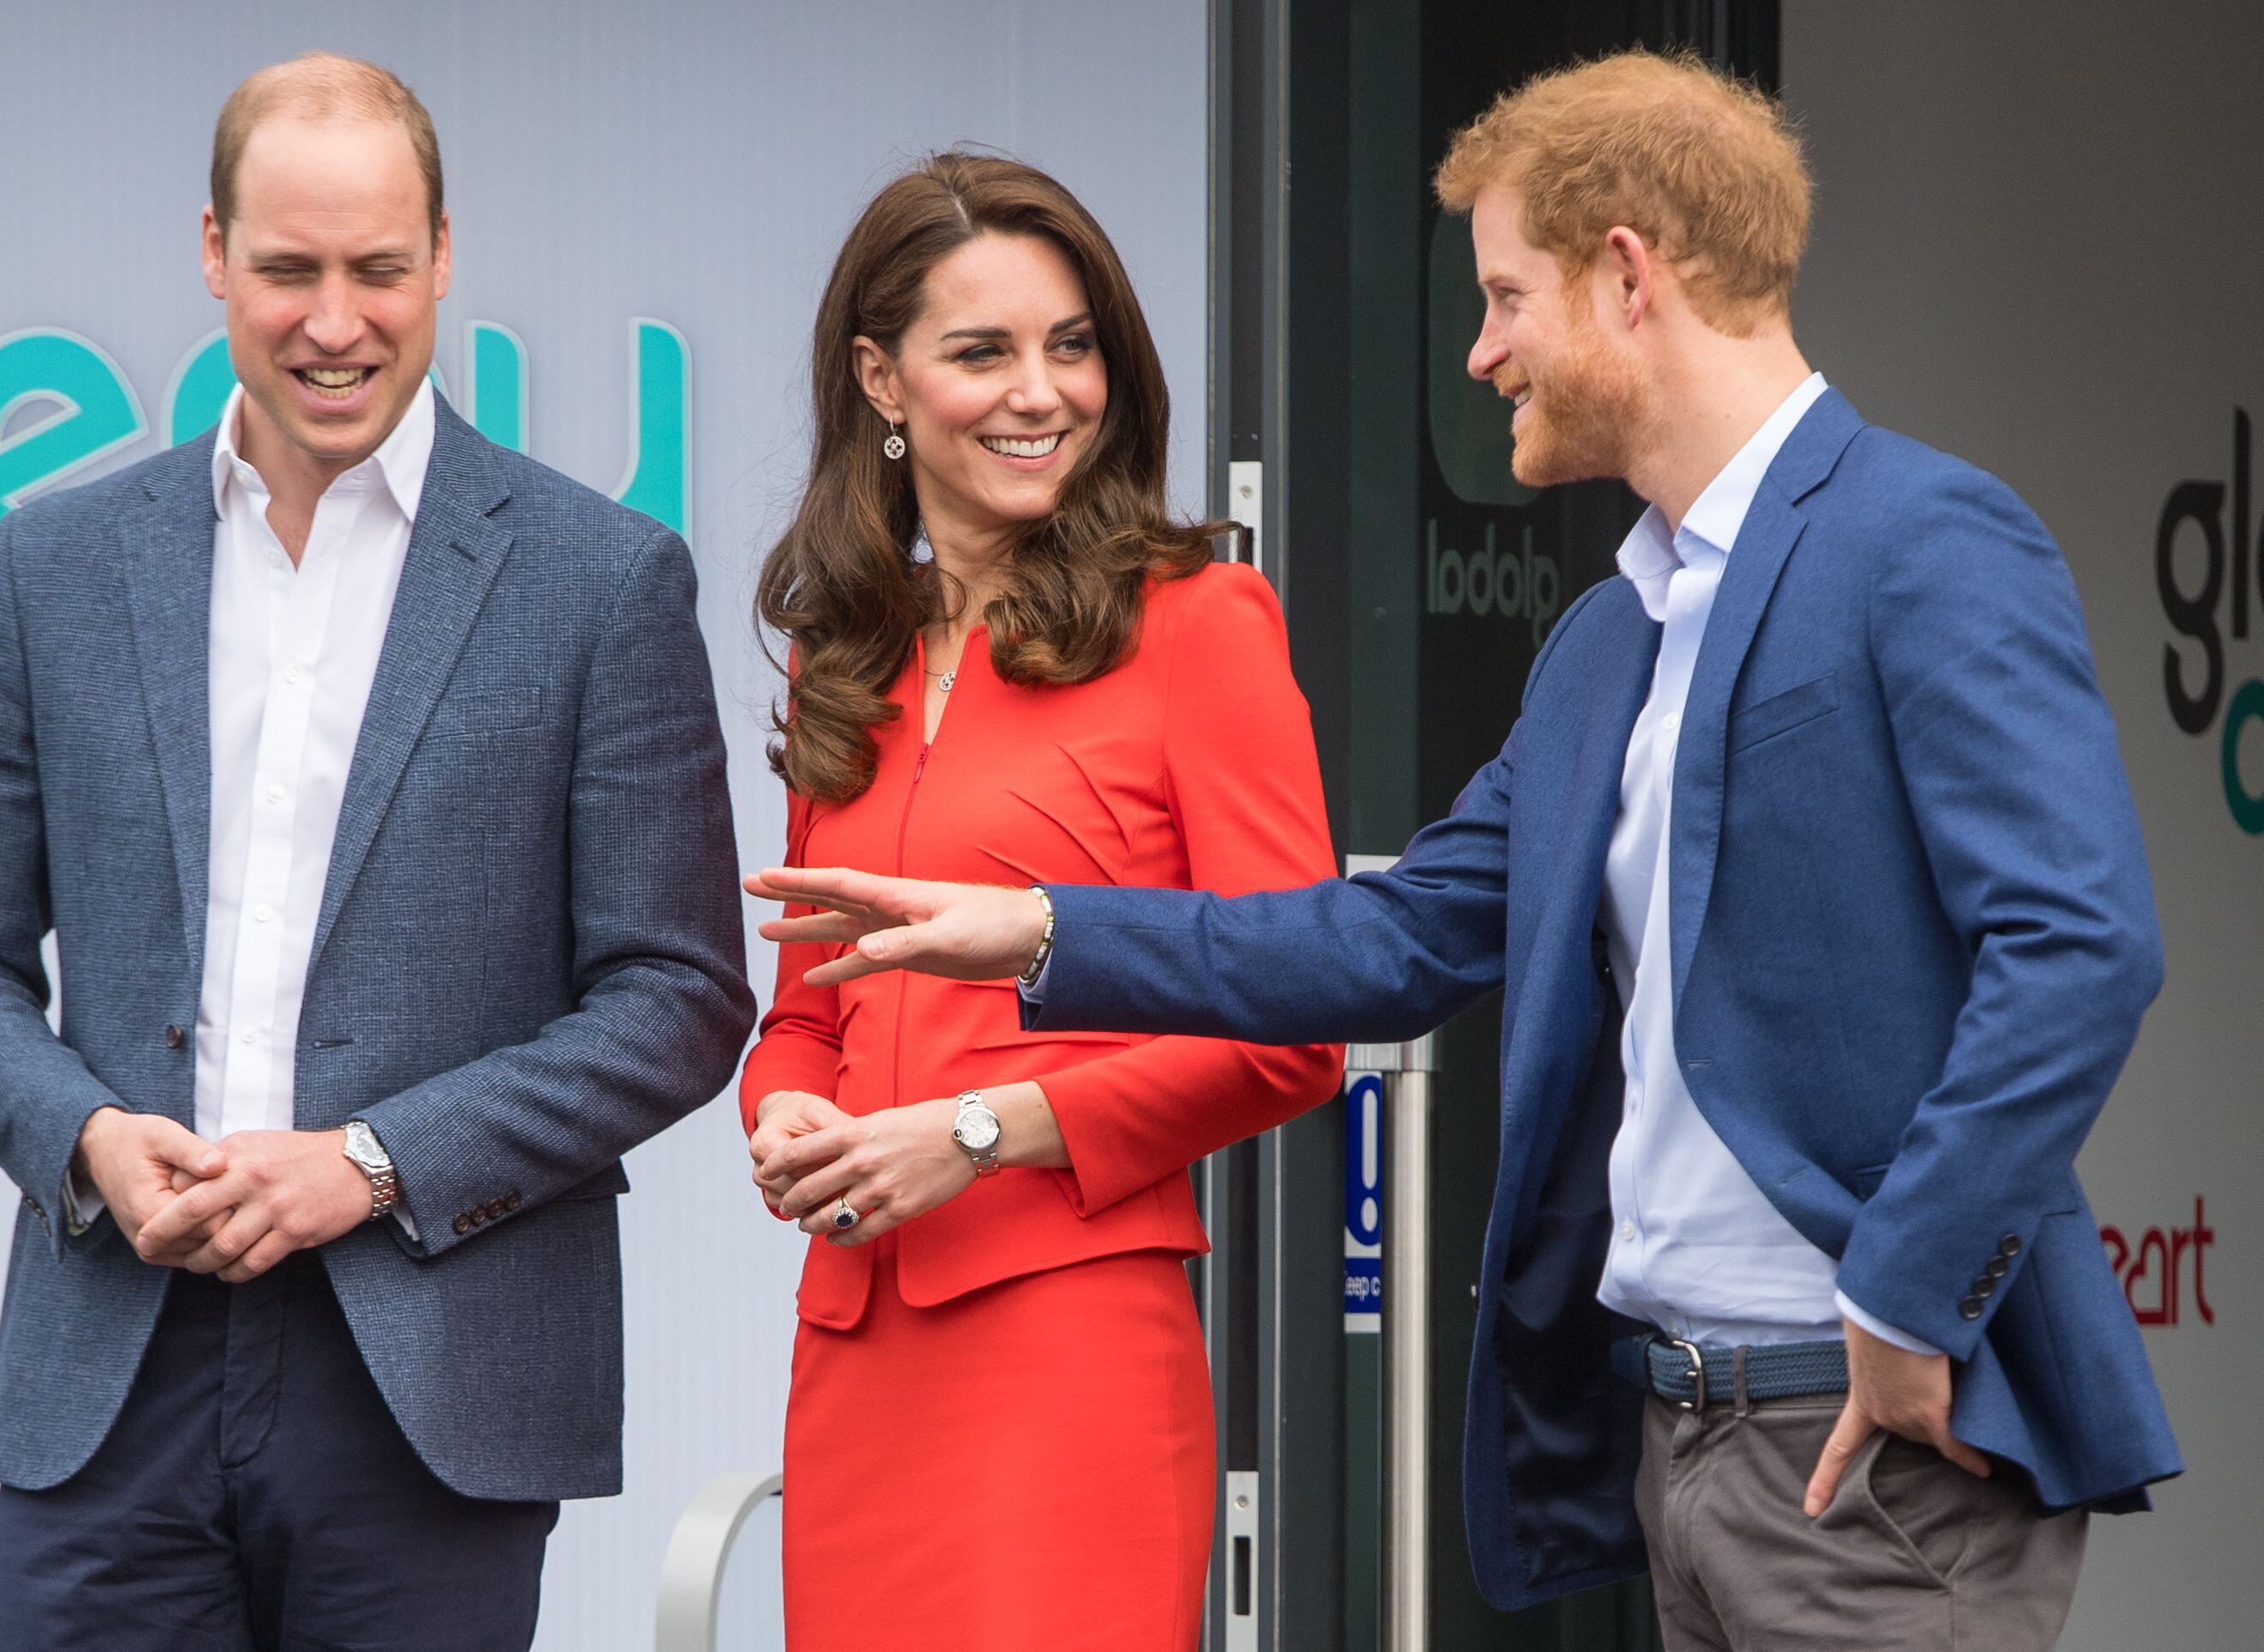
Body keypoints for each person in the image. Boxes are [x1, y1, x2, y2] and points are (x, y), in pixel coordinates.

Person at [747, 53, 2179, 1652]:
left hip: (1866, 1433)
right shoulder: (1606, 638)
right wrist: (1033, 935)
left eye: (1504, 297)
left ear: (1624, 276)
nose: (1482, 350)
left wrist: (1909, 1289)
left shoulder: (1919, 539)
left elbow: (2078, 949)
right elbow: (1389, 942)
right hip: (1678, 1442)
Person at [0, 53, 752, 1651]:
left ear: (443, 257)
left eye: (378, 269)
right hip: (111, 1364)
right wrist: (84, 1140)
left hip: (435, 1376)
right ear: (212, 251)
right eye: (287, 268)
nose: (334, 320)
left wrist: (367, 1166)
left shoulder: (600, 579)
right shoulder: (56, 562)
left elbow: (677, 996)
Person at [740, 152, 1342, 1650]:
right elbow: (801, 1020)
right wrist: (787, 1117)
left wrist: (973, 1134)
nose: (1040, 392)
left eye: (1070, 345)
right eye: (982, 352)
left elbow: (1297, 1021)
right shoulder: (846, 657)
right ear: (880, 380)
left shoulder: (1201, 625)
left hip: (1068, 1349)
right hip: (857, 1349)